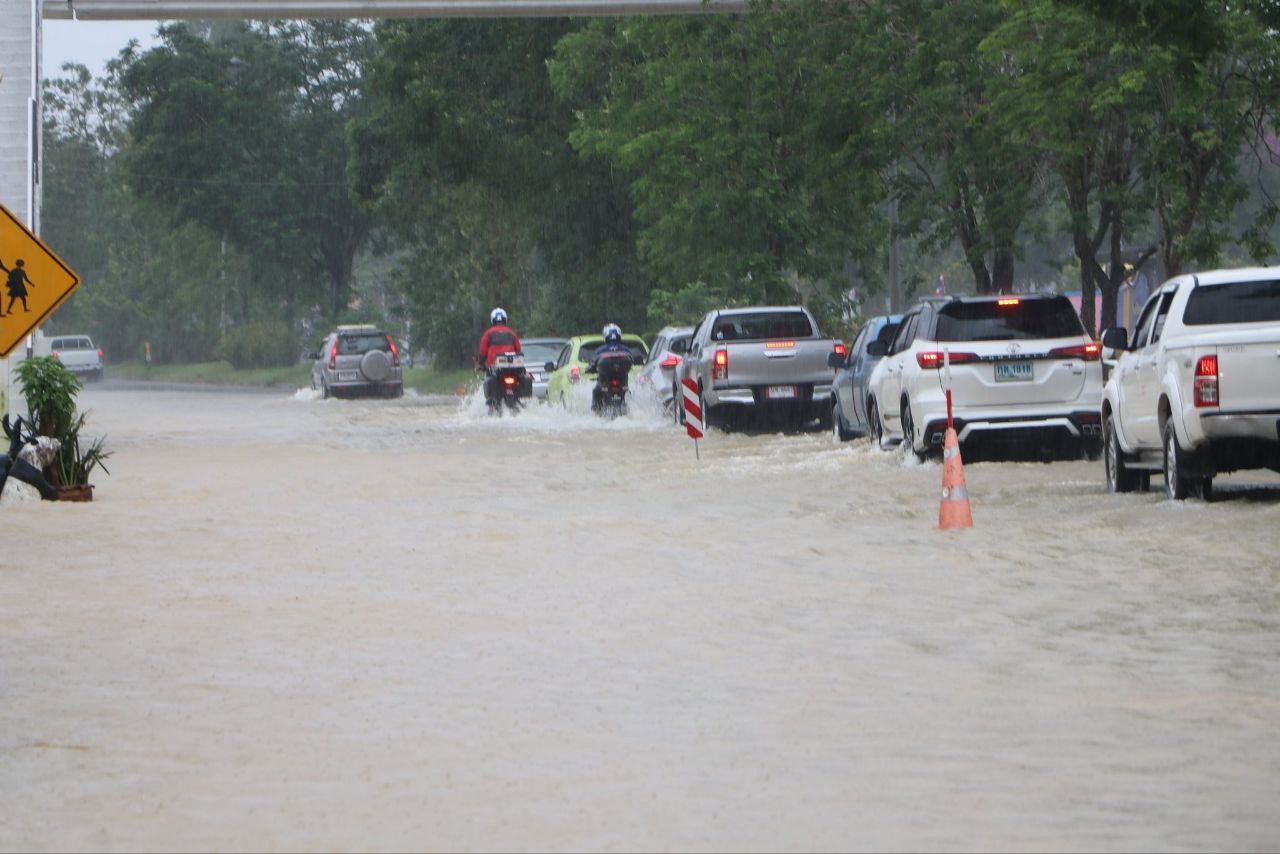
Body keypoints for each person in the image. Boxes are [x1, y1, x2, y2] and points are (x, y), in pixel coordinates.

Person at [475, 307, 523, 403]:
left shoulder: (488, 334)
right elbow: (518, 349)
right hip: (512, 367)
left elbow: (483, 352)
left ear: (492, 321)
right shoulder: (512, 333)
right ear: (505, 320)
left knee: (491, 396)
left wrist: (481, 363)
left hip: (494, 368)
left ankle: (492, 403)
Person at [588, 323, 633, 411]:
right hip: (622, 382)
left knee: (596, 391)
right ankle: (629, 409)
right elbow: (633, 361)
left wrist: (590, 369)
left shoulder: (600, 350)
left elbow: (592, 364)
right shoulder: (625, 349)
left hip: (605, 381)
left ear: (605, 336)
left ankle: (596, 413)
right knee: (628, 392)